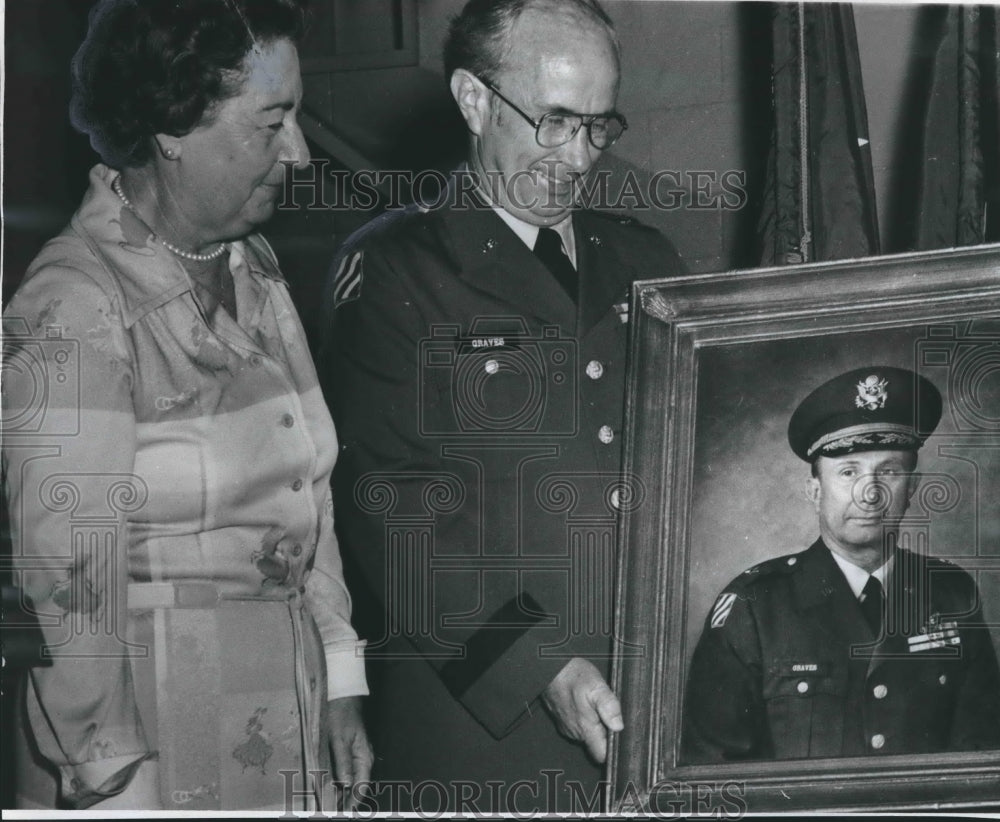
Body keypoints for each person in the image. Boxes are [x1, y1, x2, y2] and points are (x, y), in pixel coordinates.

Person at [2, 0, 372, 810]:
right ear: (172, 127)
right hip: (150, 753)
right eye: (271, 123)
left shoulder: (252, 266)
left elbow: (305, 495)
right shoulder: (75, 307)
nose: (301, 153)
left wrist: (340, 677)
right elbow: (68, 582)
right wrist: (110, 784)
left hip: (277, 724)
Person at [320, 0, 684, 811]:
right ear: (474, 100)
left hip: (649, 727)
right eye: (553, 121)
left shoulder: (645, 259)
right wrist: (538, 665)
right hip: (489, 739)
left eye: (599, 126)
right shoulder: (393, 272)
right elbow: (394, 511)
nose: (578, 155)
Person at [681, 366, 1000, 763]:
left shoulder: (953, 594)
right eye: (849, 472)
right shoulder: (754, 607)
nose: (869, 493)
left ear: (912, 489)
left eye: (889, 471)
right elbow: (712, 774)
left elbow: (982, 761)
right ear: (815, 491)